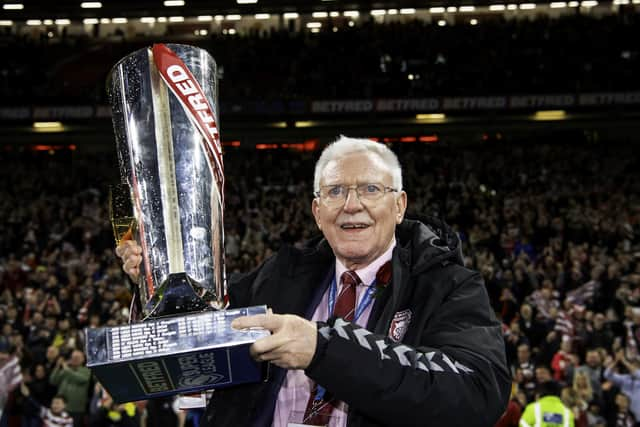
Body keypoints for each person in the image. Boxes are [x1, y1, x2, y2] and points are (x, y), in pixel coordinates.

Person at [117, 136, 511, 426]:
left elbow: (477, 394)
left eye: (370, 189)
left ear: (399, 206)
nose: (351, 204)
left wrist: (323, 350)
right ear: (317, 211)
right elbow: (195, 337)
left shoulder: (446, 285)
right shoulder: (278, 276)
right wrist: (161, 281)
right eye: (335, 191)